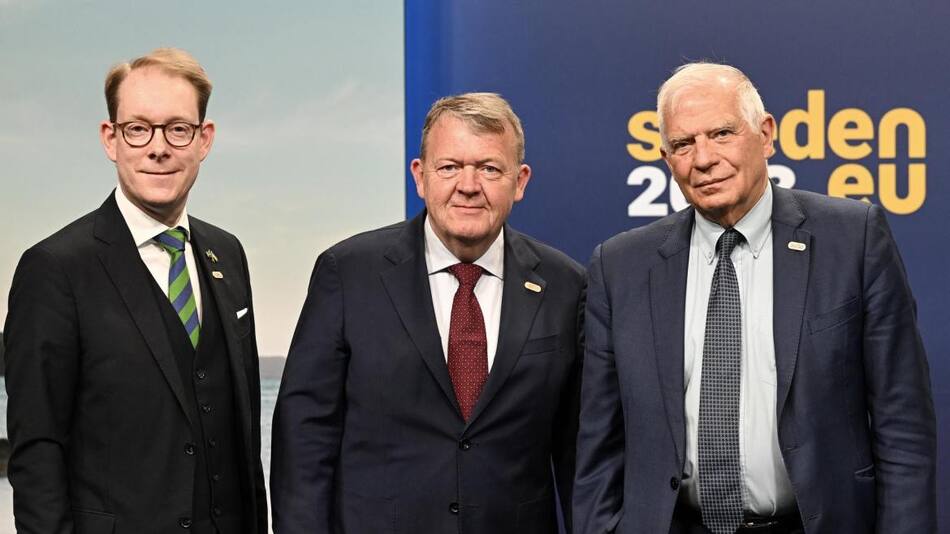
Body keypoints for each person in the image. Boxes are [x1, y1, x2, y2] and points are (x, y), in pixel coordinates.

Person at [573, 62, 936, 534]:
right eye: (683, 144)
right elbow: (599, 447)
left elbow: (903, 427)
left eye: (722, 133)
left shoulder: (854, 240)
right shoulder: (620, 265)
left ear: (765, 135)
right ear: (666, 158)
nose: (703, 159)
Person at [271, 93, 585, 533]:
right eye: (449, 166)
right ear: (420, 176)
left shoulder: (565, 285)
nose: (469, 185)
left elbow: (579, 454)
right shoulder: (348, 273)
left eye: (490, 168)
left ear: (520, 180)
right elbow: (304, 437)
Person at [3, 48, 267, 534]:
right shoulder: (54, 270)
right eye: (138, 128)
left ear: (204, 140)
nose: (158, 147)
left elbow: (243, 439)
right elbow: (37, 452)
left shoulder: (228, 255)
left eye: (178, 129)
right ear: (111, 139)